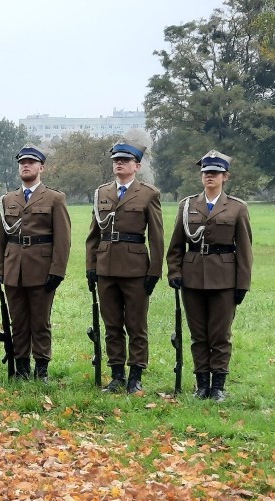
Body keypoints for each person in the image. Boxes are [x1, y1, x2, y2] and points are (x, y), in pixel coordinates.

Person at [166, 150, 253, 401]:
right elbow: (176, 245)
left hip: (224, 279)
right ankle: (201, 383)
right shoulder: (188, 205)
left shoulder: (237, 208)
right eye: (205, 173)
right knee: (198, 334)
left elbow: (245, 249)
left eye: (214, 173)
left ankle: (218, 386)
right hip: (192, 277)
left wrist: (242, 284)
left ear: (225, 176)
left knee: (220, 334)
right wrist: (174, 271)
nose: (209, 177)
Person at [86, 141, 163, 393]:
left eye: (125, 160)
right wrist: (91, 266)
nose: (119, 163)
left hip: (135, 268)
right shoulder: (102, 193)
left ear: (137, 166)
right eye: (116, 160)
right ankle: (117, 374)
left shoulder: (148, 194)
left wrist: (154, 271)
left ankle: (135, 376)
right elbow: (93, 235)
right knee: (112, 325)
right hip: (106, 267)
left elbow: (157, 237)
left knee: (136, 325)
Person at [0, 144, 71, 381]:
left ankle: (41, 368)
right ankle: (22, 367)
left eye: (31, 162)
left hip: (41, 268)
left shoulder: (55, 198)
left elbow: (63, 238)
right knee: (18, 321)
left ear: (41, 167)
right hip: (13, 268)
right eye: (22, 163)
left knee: (40, 321)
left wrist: (57, 271)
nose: (25, 166)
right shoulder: (8, 199)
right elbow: (0, 239)